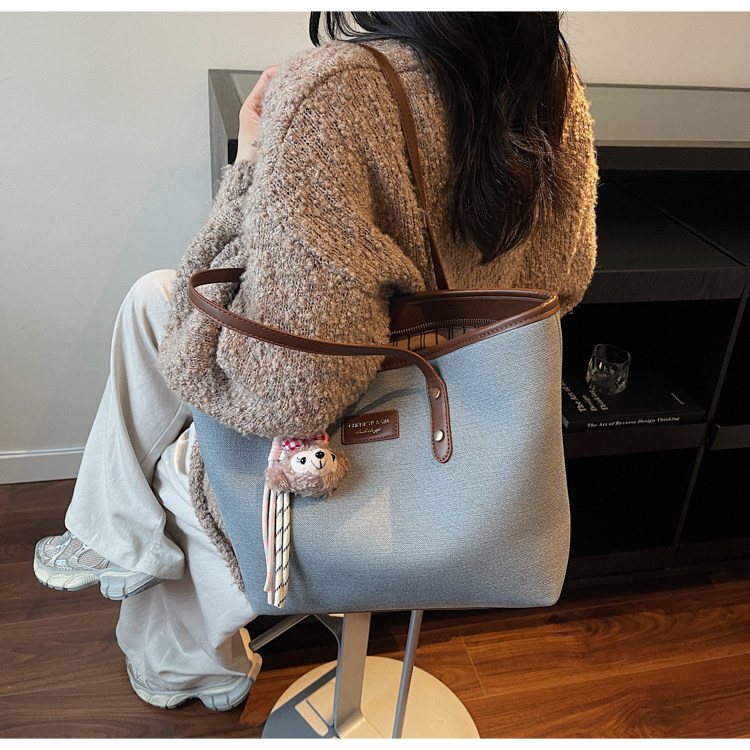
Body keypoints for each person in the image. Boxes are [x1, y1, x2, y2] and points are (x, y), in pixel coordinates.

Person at [33, 12, 598, 711]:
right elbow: (567, 280)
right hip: (472, 388)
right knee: (151, 297)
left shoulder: (336, 87)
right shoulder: (549, 74)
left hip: (352, 406)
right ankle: (109, 531)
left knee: (179, 476)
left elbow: (290, 393)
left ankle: (187, 663)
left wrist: (250, 162)